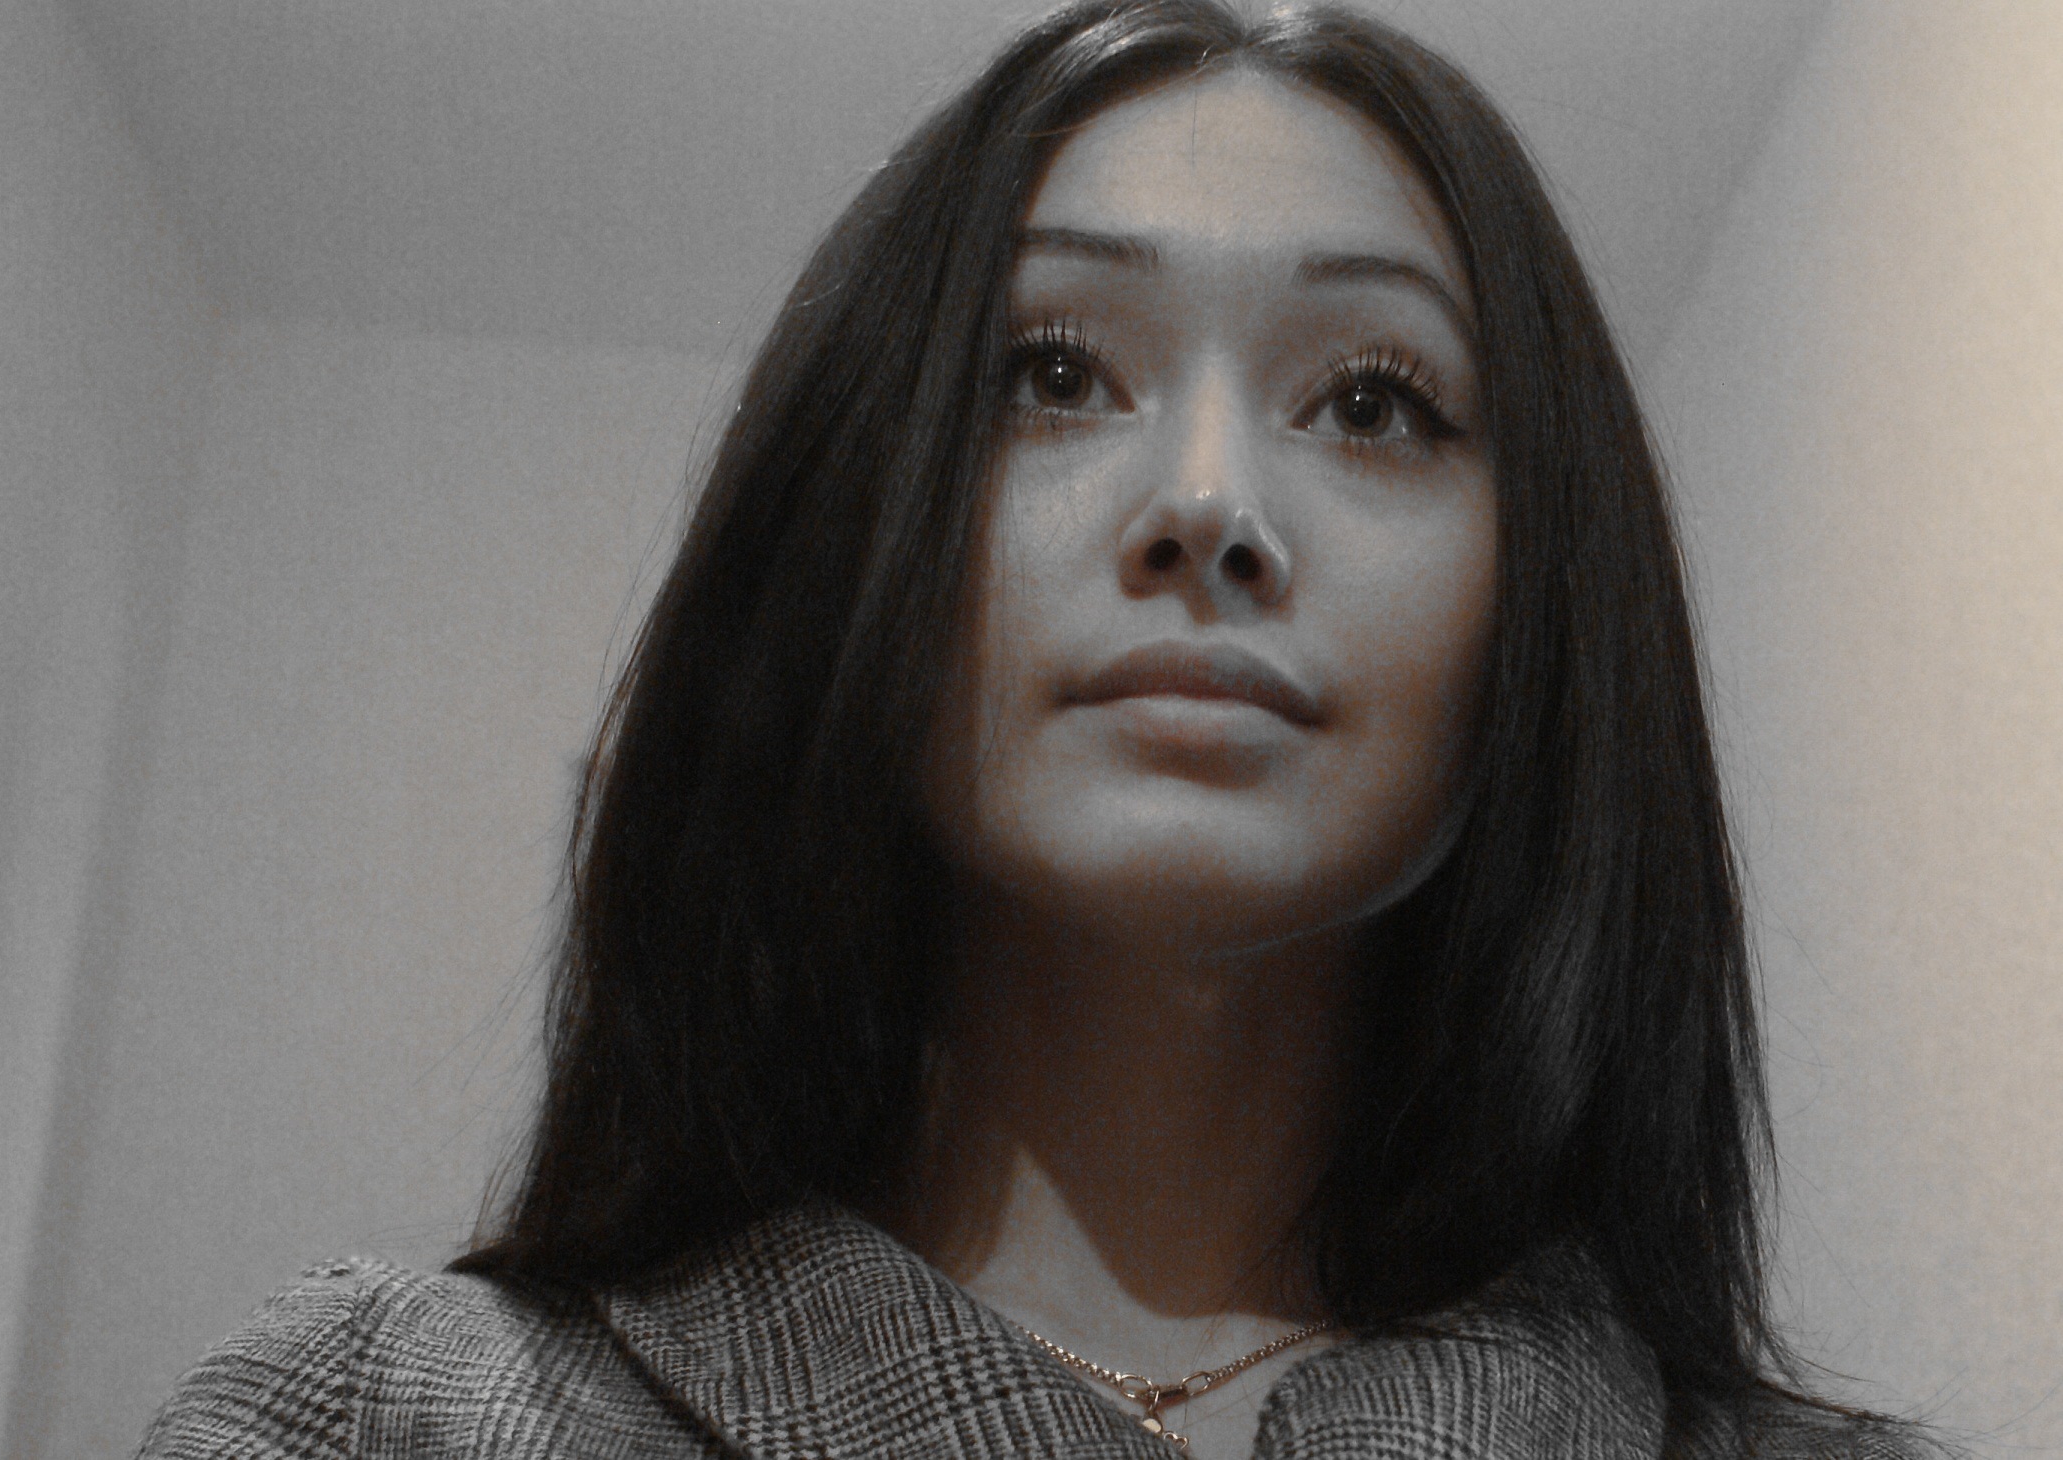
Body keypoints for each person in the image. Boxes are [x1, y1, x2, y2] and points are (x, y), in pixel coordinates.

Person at [135, 4, 1941, 1457]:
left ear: (1546, 602)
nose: (1208, 503)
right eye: (1053, 374)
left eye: (1372, 401)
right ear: (851, 515)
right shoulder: (377, 1414)